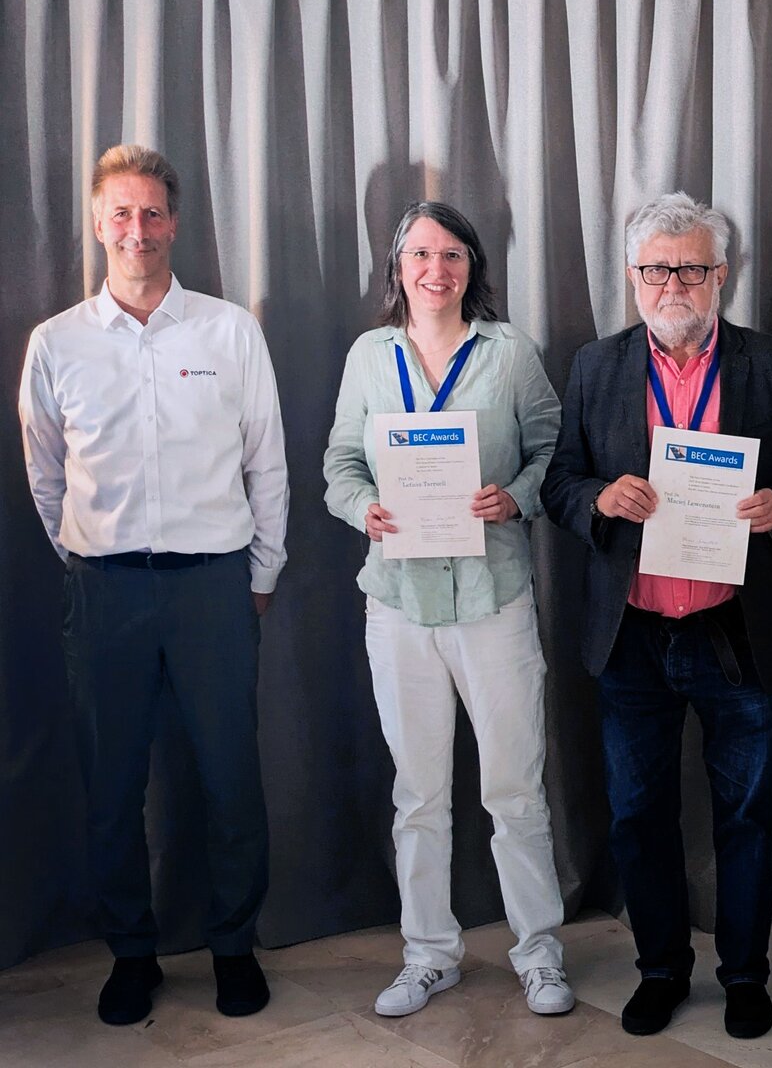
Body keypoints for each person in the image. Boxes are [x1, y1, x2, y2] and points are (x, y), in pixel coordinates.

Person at [542, 192, 772, 1040]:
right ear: (632, 276)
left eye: (693, 269)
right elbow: (560, 482)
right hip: (631, 634)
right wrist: (600, 499)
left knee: (746, 817)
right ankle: (662, 969)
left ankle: (745, 974)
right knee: (638, 817)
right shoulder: (595, 366)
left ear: (722, 275)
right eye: (658, 269)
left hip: (734, 631)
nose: (675, 285)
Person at [18, 144, 288, 1024]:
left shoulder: (229, 332)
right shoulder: (56, 343)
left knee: (231, 782)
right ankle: (131, 955)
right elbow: (46, 475)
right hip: (105, 593)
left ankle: (233, 948)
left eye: (153, 213)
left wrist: (261, 574)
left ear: (174, 224)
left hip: (214, 589)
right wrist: (88, 557)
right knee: (111, 789)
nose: (138, 229)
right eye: (122, 214)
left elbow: (266, 462)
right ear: (100, 225)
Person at [321, 201, 572, 1019]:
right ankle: (428, 955)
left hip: (494, 599)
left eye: (453, 254)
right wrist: (361, 508)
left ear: (473, 267)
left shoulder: (509, 353)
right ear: (398, 267)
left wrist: (518, 495)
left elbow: (554, 451)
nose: (437, 269)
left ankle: (539, 953)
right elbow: (341, 462)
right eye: (421, 255)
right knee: (419, 794)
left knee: (515, 791)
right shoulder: (370, 356)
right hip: (399, 604)